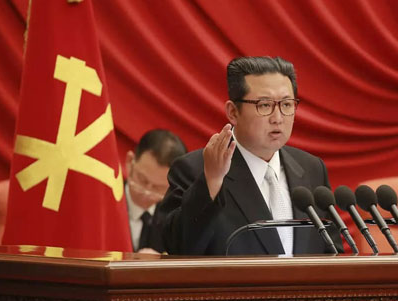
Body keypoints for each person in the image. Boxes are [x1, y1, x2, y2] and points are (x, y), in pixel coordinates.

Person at [158, 56, 343, 255]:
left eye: (287, 104)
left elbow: (332, 253)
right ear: (233, 112)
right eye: (264, 105)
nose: (278, 118)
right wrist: (212, 181)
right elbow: (178, 248)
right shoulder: (196, 169)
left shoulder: (312, 169)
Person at [125, 129, 187, 253]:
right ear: (129, 162)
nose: (146, 192)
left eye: (158, 188)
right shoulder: (102, 203)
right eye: (142, 180)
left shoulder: (175, 220)